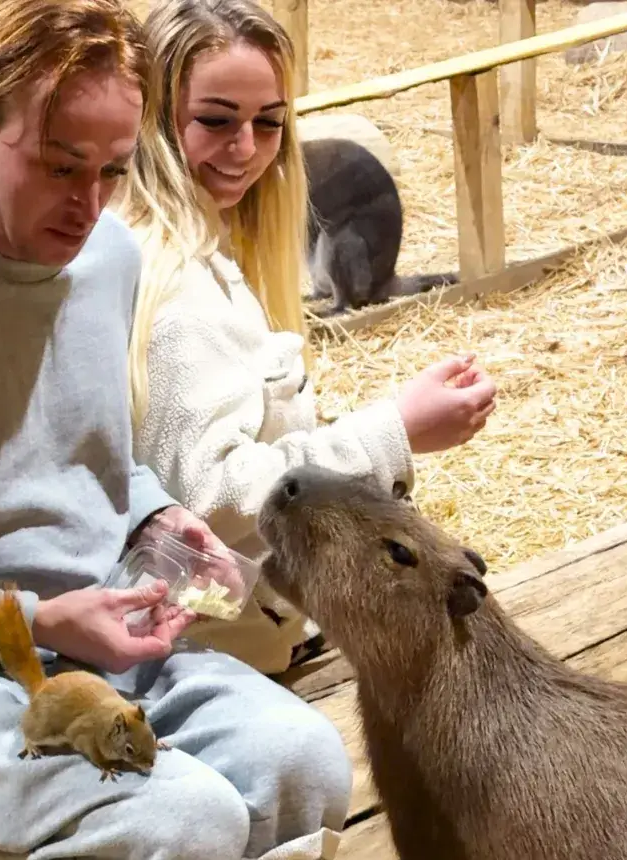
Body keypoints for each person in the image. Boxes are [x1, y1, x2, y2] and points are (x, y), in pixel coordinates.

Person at [0, 0, 353, 858]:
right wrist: (36, 621)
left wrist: (154, 512)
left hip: (98, 638)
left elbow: (100, 454)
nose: (89, 204)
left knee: (304, 766)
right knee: (185, 823)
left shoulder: (105, 260)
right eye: (60, 167)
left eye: (114, 170)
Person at [118, 0, 498, 676]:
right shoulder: (172, 289)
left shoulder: (214, 248)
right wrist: (394, 431)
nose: (246, 149)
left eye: (268, 123)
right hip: (212, 657)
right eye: (215, 119)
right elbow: (209, 492)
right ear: (151, 114)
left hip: (262, 628)